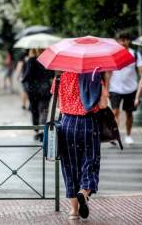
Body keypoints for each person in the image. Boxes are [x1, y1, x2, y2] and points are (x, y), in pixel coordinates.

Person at [55, 71, 110, 220]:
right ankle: (84, 192)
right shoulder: (93, 77)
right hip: (88, 123)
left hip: (66, 124)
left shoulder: (61, 77)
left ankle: (74, 211)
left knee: (69, 166)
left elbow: (58, 105)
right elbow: (103, 104)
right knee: (90, 160)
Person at [109, 32, 142, 145]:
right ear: (118, 41)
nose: (123, 42)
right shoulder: (113, 54)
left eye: (125, 40)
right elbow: (108, 72)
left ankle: (128, 135)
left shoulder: (135, 54)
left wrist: (141, 86)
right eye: (121, 40)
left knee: (129, 113)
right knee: (115, 112)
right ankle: (114, 135)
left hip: (131, 89)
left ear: (129, 41)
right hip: (115, 88)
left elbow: (141, 72)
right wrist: (105, 87)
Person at [21, 48, 54, 140]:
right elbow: (51, 75)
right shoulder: (48, 60)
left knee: (34, 110)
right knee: (43, 110)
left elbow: (27, 75)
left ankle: (36, 130)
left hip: (33, 90)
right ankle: (42, 131)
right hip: (45, 89)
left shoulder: (31, 60)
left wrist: (23, 80)